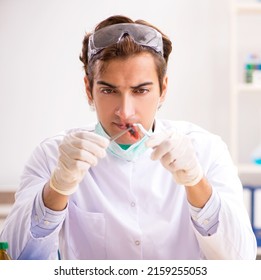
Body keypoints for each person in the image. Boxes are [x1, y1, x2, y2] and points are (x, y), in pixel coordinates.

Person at [0, 15, 257, 260]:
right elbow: (14, 258)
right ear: (88, 90)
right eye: (108, 90)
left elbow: (241, 259)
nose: (125, 112)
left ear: (163, 89)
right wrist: (57, 188)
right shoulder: (53, 155)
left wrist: (196, 182)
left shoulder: (206, 149)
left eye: (141, 90)